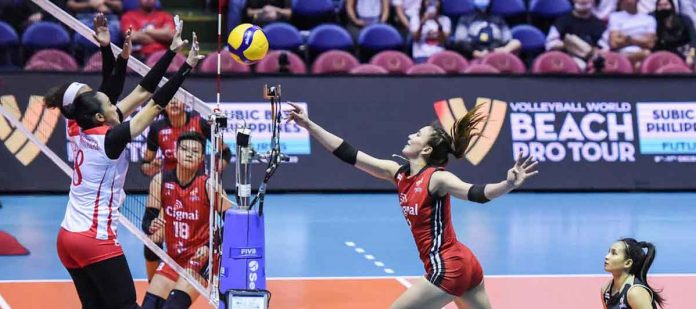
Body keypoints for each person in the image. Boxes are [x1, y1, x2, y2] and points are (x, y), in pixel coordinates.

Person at [286, 103, 539, 309]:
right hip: (462, 263)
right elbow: (349, 154)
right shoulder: (397, 173)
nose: (410, 135)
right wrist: (308, 125)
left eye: (417, 135)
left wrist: (507, 184)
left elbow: (476, 193)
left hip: (449, 266)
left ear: (426, 149)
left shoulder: (437, 178)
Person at [47, 21, 204, 308]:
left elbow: (141, 91)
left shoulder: (85, 127)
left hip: (67, 238)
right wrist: (186, 66)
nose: (110, 99)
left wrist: (170, 52)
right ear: (97, 114)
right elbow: (154, 104)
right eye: (104, 101)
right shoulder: (110, 138)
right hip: (94, 239)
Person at [141, 132, 233, 309]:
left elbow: (232, 223)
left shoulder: (209, 185)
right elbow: (147, 221)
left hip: (200, 259)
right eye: (184, 149)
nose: (189, 154)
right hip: (174, 257)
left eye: (195, 151)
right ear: (175, 153)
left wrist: (210, 246)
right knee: (149, 306)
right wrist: (152, 225)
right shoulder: (160, 181)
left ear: (201, 159)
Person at [602, 238, 665, 309]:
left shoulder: (635, 293)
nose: (606, 256)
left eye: (614, 253)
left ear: (628, 263)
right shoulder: (606, 289)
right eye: (609, 252)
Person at [546, 0, 607, 69]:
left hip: (592, 65)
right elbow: (550, 44)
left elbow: (605, 49)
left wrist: (594, 51)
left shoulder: (599, 25)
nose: (583, 1)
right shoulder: (562, 21)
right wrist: (568, 45)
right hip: (565, 62)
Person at [453, 0, 521, 59]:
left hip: (496, 53)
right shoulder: (465, 19)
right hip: (472, 54)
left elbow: (510, 41)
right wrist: (475, 53)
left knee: (516, 43)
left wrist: (503, 50)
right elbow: (459, 40)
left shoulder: (499, 19)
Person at [652, 0, 696, 65]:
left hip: (687, 52)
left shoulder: (684, 19)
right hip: (667, 55)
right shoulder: (654, 22)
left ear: (672, 6)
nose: (663, 7)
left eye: (666, 4)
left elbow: (694, 40)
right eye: (660, 5)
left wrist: (691, 55)